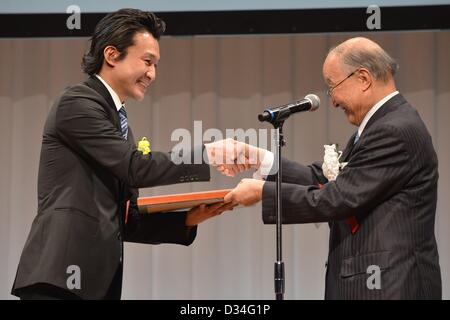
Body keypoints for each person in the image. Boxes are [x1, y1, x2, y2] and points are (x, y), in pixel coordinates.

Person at [11, 8, 232, 300]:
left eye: (156, 64)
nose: (152, 74)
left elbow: (122, 218)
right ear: (112, 55)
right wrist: (208, 154)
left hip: (95, 285)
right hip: (59, 279)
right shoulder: (77, 103)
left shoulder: (117, 119)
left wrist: (188, 220)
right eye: (147, 61)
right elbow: (134, 166)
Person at [219, 37, 442, 299]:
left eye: (332, 85)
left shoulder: (394, 129)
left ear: (363, 78)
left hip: (389, 286)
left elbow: (339, 197)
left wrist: (263, 193)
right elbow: (325, 178)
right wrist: (260, 159)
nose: (333, 101)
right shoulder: (382, 125)